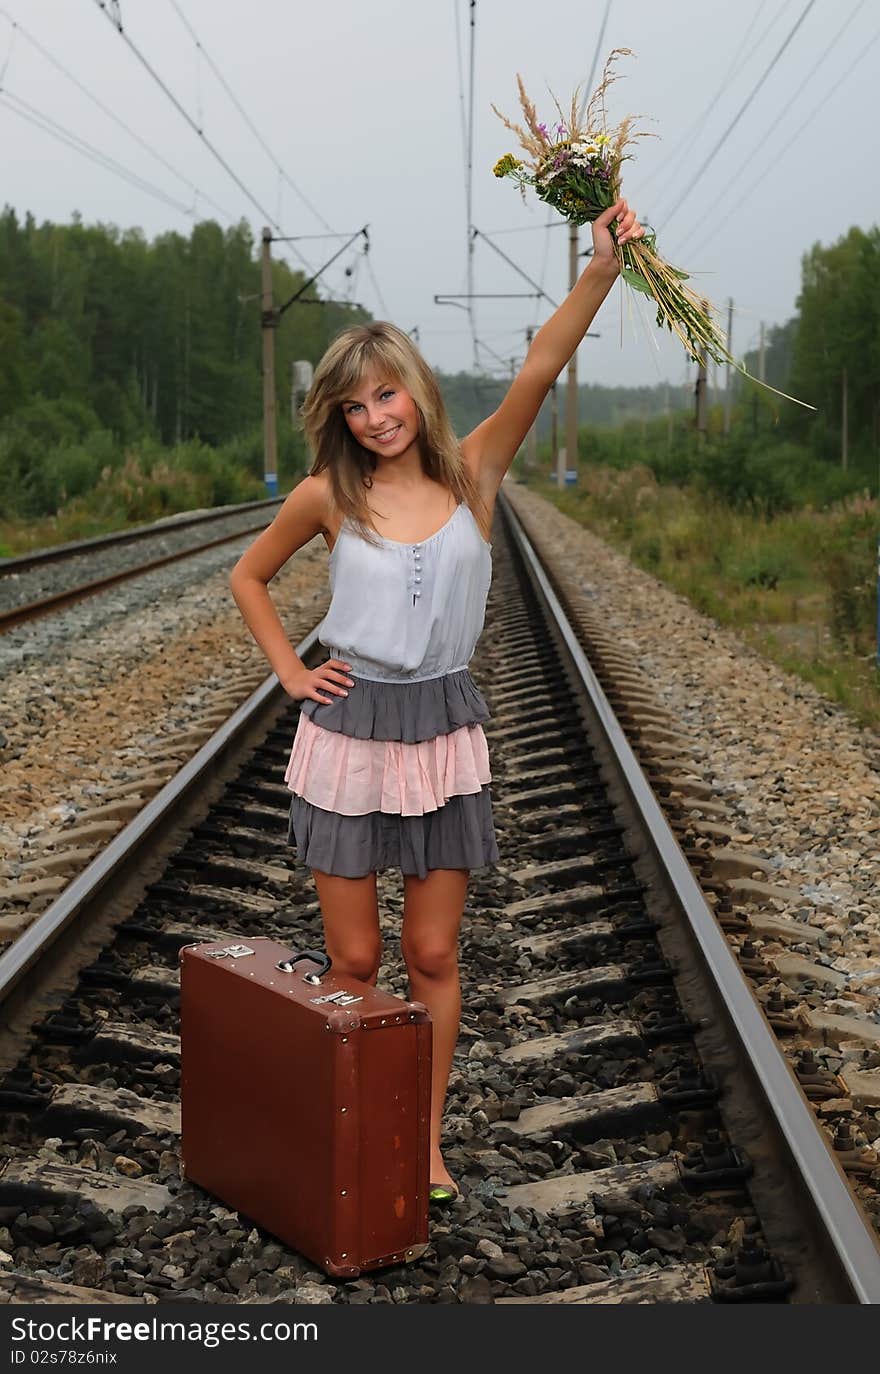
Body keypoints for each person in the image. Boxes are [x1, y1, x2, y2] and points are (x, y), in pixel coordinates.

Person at [229, 198, 645, 1203]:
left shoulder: (472, 475)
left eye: (388, 395)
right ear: (339, 418)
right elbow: (248, 577)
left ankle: (418, 1144)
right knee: (355, 955)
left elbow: (539, 368)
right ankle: (353, 1132)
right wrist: (292, 672)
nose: (377, 417)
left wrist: (599, 271)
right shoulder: (329, 497)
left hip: (442, 728)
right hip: (349, 728)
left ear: (414, 390)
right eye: (357, 406)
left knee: (429, 953)